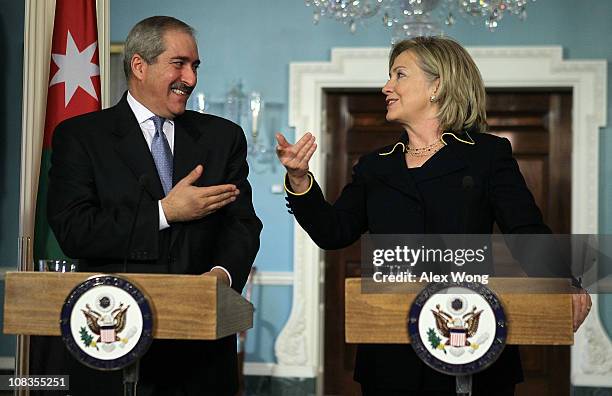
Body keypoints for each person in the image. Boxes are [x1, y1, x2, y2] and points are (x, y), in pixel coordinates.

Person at [276, 36, 591, 395]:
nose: (386, 87)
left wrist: (563, 280)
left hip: (469, 336)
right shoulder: (374, 166)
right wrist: (299, 180)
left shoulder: (488, 155)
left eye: (399, 75)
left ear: (437, 86)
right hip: (391, 349)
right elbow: (334, 231)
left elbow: (526, 230)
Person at [45, 16, 262, 395]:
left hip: (201, 351)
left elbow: (242, 225)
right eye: (178, 64)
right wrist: (165, 212)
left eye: (195, 66)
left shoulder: (222, 137)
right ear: (139, 66)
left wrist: (220, 277)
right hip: (112, 343)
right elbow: (74, 230)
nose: (191, 78)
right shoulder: (81, 137)